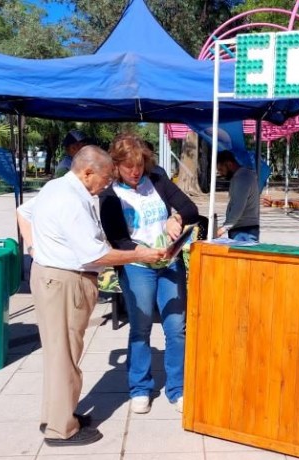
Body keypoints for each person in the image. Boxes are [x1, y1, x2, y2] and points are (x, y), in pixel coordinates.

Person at [17, 145, 165, 446]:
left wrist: (34, 249)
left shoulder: (55, 187)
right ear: (87, 173)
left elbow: (23, 213)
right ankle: (62, 429)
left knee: (60, 354)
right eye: (106, 177)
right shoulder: (72, 200)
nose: (108, 183)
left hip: (50, 276)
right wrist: (140, 254)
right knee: (65, 356)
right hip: (65, 281)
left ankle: (57, 414)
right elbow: (95, 254)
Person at [99, 133, 198, 414]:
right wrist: (144, 252)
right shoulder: (109, 195)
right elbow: (118, 239)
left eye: (139, 165)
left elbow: (191, 209)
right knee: (141, 328)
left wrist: (175, 218)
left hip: (170, 262)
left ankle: (177, 388)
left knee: (176, 328)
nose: (135, 171)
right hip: (138, 266)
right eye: (128, 166)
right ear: (116, 165)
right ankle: (140, 387)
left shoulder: (156, 178)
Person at [215, 150, 260, 242]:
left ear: (229, 164)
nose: (221, 174)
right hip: (244, 228)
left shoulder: (241, 179)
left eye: (221, 169)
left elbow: (238, 206)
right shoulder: (246, 175)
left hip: (243, 231)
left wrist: (223, 228)